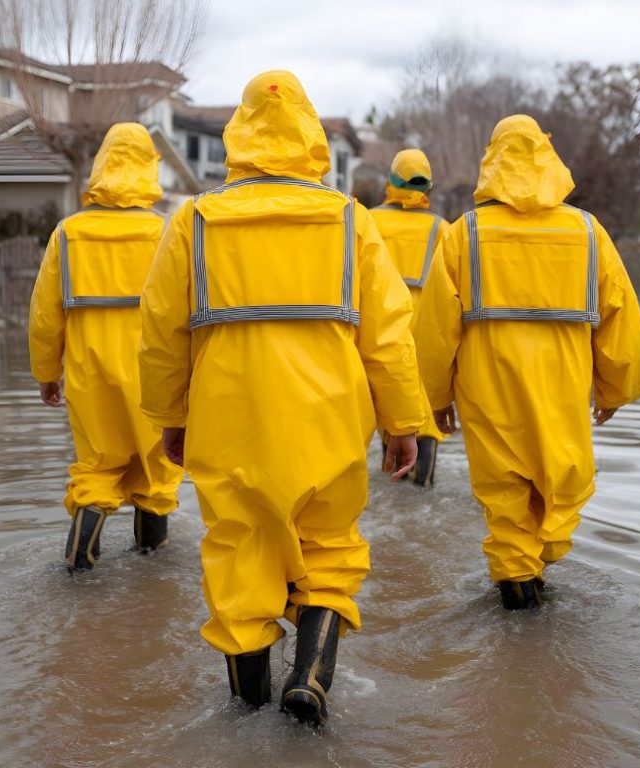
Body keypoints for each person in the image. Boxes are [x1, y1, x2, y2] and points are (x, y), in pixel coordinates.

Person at [138, 70, 425, 725]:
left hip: (229, 422)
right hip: (330, 420)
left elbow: (160, 333)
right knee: (329, 549)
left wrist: (171, 418)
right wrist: (403, 423)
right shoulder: (349, 220)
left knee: (239, 554)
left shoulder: (194, 221)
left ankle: (246, 710)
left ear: (239, 133)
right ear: (311, 136)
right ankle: (311, 681)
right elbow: (388, 336)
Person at [416, 114, 640, 610]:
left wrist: (434, 400)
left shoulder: (463, 235)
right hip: (564, 389)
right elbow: (622, 320)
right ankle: (530, 581)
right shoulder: (589, 233)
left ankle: (517, 583)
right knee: (561, 483)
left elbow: (434, 331)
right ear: (548, 157)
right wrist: (614, 390)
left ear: (491, 160)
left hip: (488, 390)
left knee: (505, 493)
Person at [29, 123, 184, 573]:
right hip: (154, 372)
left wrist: (45, 373)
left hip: (88, 372)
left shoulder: (68, 233)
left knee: (97, 466)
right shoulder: (167, 233)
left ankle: (79, 564)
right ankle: (152, 569)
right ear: (149, 168)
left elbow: (44, 314)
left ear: (101, 165)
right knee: (158, 469)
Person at [370, 149, 456, 485]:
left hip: (380, 321)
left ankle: (391, 476)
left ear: (389, 182)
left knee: (387, 401)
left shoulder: (366, 220)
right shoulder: (443, 229)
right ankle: (423, 485)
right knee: (425, 411)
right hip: (426, 325)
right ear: (428, 188)